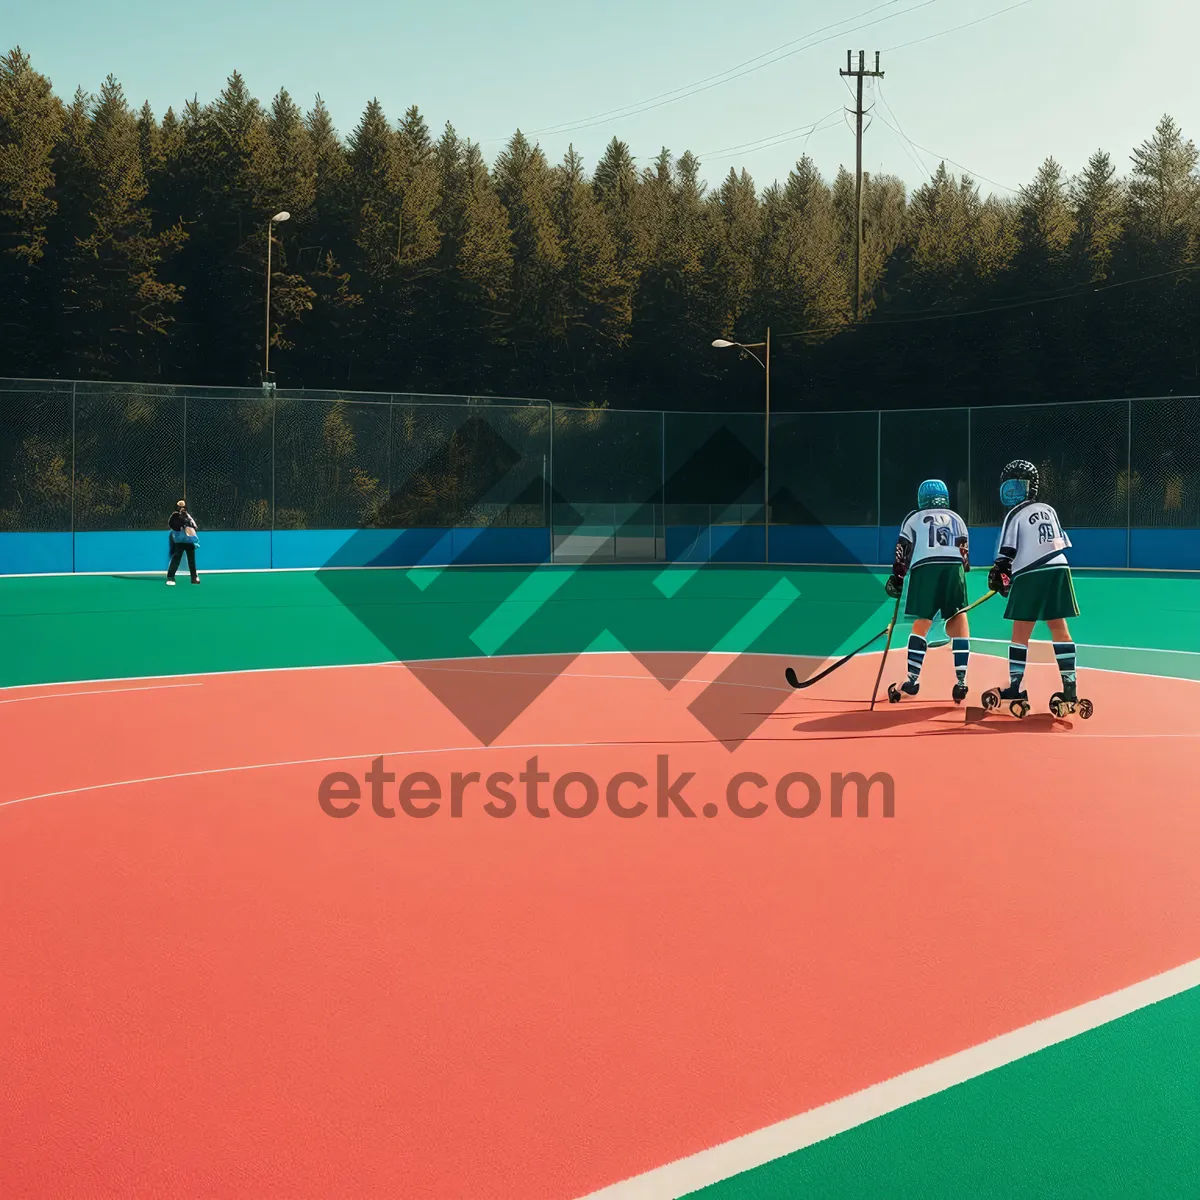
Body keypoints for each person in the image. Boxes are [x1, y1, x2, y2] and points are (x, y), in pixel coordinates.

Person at [985, 459, 1084, 716]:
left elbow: (1006, 552)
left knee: (1020, 630)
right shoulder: (1048, 509)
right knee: (1059, 627)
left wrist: (1000, 573)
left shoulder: (1014, 514)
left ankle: (1015, 688)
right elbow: (1059, 541)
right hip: (1059, 567)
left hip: (1031, 571)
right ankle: (1070, 689)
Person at [885, 479, 972, 704]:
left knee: (922, 622)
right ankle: (961, 682)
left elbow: (902, 550)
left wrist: (898, 576)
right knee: (959, 617)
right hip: (953, 568)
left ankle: (912, 680)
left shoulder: (913, 518)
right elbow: (964, 555)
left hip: (925, 567)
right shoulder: (957, 518)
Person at [167, 500, 200, 585]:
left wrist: (187, 520)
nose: (181, 508)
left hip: (189, 541)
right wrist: (181, 523)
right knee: (176, 558)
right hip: (179, 541)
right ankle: (170, 577)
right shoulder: (174, 516)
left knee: (191, 560)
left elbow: (195, 527)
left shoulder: (188, 516)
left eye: (183, 507)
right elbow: (172, 525)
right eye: (179, 507)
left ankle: (194, 577)